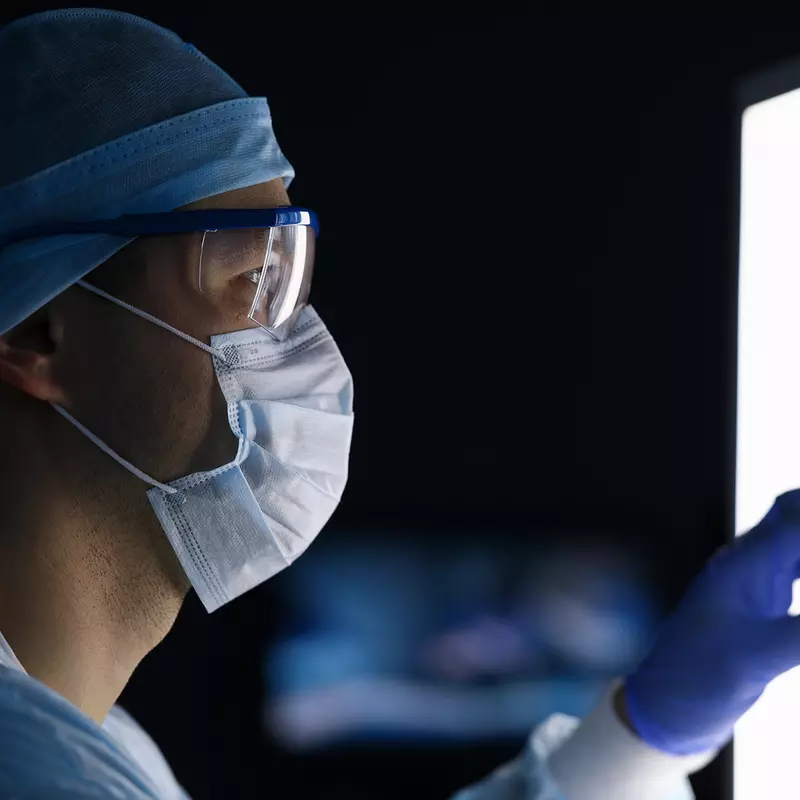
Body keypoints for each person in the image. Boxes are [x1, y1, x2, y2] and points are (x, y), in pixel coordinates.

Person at [0, 9, 797, 800]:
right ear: (40, 333)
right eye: (251, 279)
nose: (302, 347)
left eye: (295, 278)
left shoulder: (87, 742)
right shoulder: (34, 770)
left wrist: (641, 737)